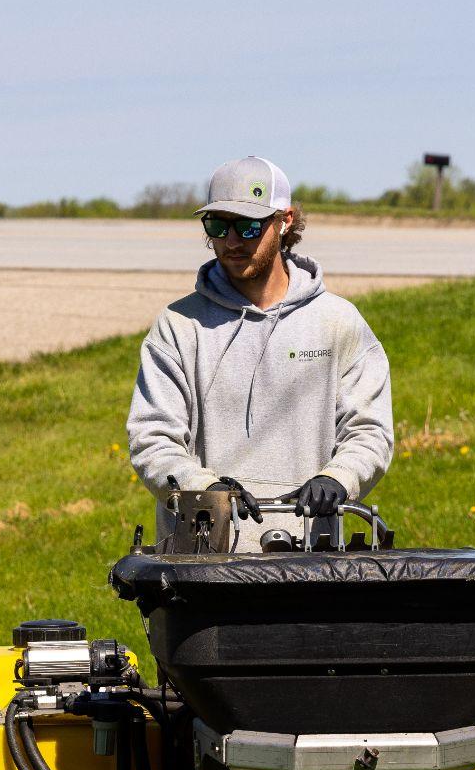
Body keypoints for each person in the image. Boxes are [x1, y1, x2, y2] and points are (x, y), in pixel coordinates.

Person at [127, 156, 394, 538]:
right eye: (218, 225)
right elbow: (151, 438)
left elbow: (370, 431)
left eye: (249, 227)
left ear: (284, 222)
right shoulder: (178, 326)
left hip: (310, 562)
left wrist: (339, 477)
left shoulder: (339, 322)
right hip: (202, 560)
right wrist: (205, 491)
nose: (231, 241)